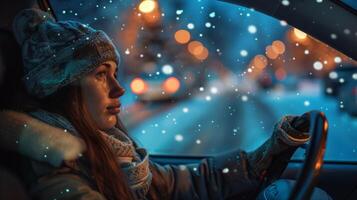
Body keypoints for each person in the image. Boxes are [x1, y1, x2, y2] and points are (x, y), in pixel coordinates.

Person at [0, 8, 331, 200]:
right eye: (101, 75)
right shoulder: (55, 174)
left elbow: (181, 184)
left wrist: (263, 155)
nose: (119, 90)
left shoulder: (108, 148)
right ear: (62, 86)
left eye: (115, 74)